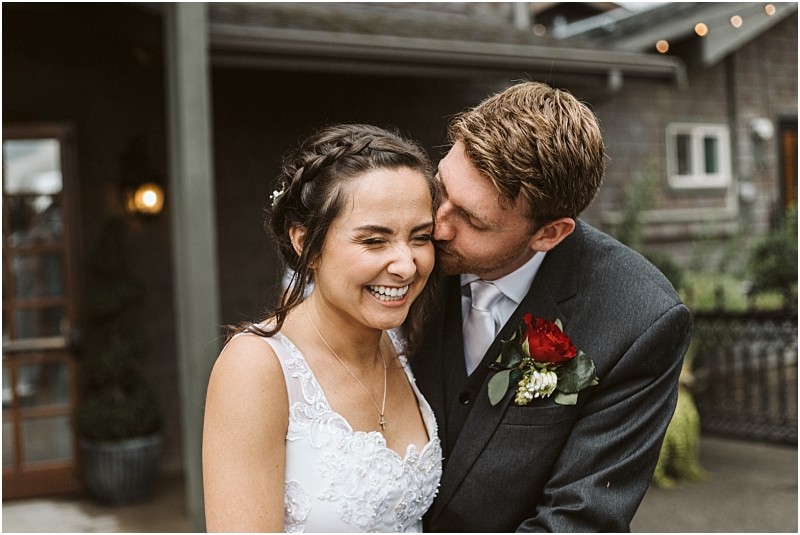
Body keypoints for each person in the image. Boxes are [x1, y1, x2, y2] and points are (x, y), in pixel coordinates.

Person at [410, 81, 693, 532]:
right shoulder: (400, 251)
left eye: (473, 221)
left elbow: (579, 520)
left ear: (550, 234)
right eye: (441, 188)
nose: (437, 227)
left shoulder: (638, 319)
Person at [203, 124, 443, 532]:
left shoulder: (403, 342)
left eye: (420, 237)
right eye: (374, 241)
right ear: (305, 242)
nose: (406, 265)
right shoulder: (256, 368)